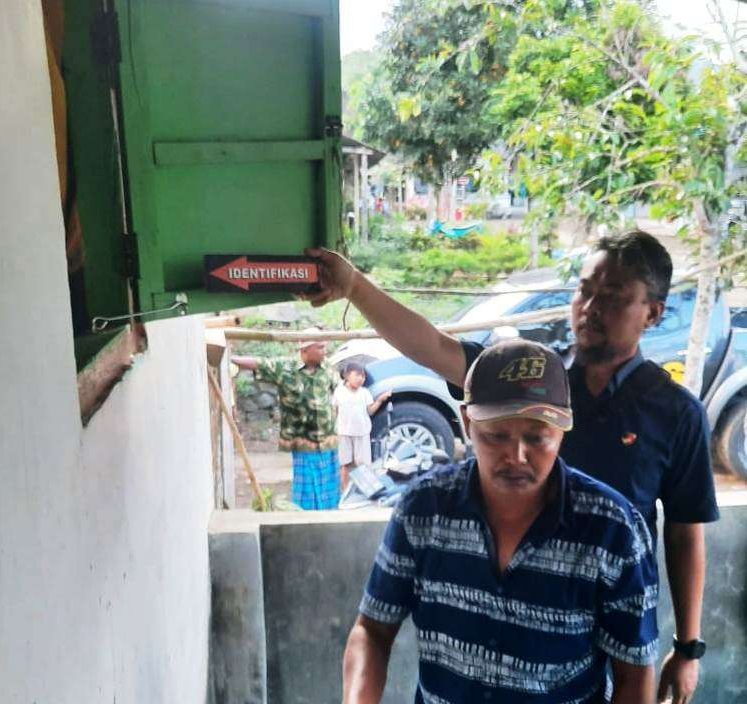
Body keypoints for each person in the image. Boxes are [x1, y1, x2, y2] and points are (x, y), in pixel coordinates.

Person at [307, 230, 719, 702]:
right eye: (585, 290)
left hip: (590, 609)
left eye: (613, 297)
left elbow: (685, 532)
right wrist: (354, 286)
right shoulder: (532, 380)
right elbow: (434, 348)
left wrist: (687, 647)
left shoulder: (671, 419)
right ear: (470, 424)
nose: (590, 308)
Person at [343, 339, 659, 704]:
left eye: (537, 438)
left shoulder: (612, 529)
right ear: (466, 422)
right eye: (496, 436)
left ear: (564, 428)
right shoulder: (423, 510)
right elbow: (372, 631)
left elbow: (634, 674)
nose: (517, 456)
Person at [232, 329, 340, 510]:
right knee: (308, 488)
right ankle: (306, 520)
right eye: (320, 347)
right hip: (303, 442)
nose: (324, 351)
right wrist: (230, 359)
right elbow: (259, 363)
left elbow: (338, 391)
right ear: (305, 349)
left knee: (330, 487)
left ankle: (329, 516)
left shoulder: (328, 368)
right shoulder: (286, 368)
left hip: (328, 440)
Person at [334, 362, 391, 488]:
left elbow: (370, 411)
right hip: (344, 432)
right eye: (358, 375)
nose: (361, 379)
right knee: (346, 463)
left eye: (363, 376)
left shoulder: (364, 393)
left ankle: (365, 491)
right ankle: (345, 491)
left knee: (364, 464)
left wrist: (380, 400)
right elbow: (335, 411)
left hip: (362, 432)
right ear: (347, 376)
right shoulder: (339, 392)